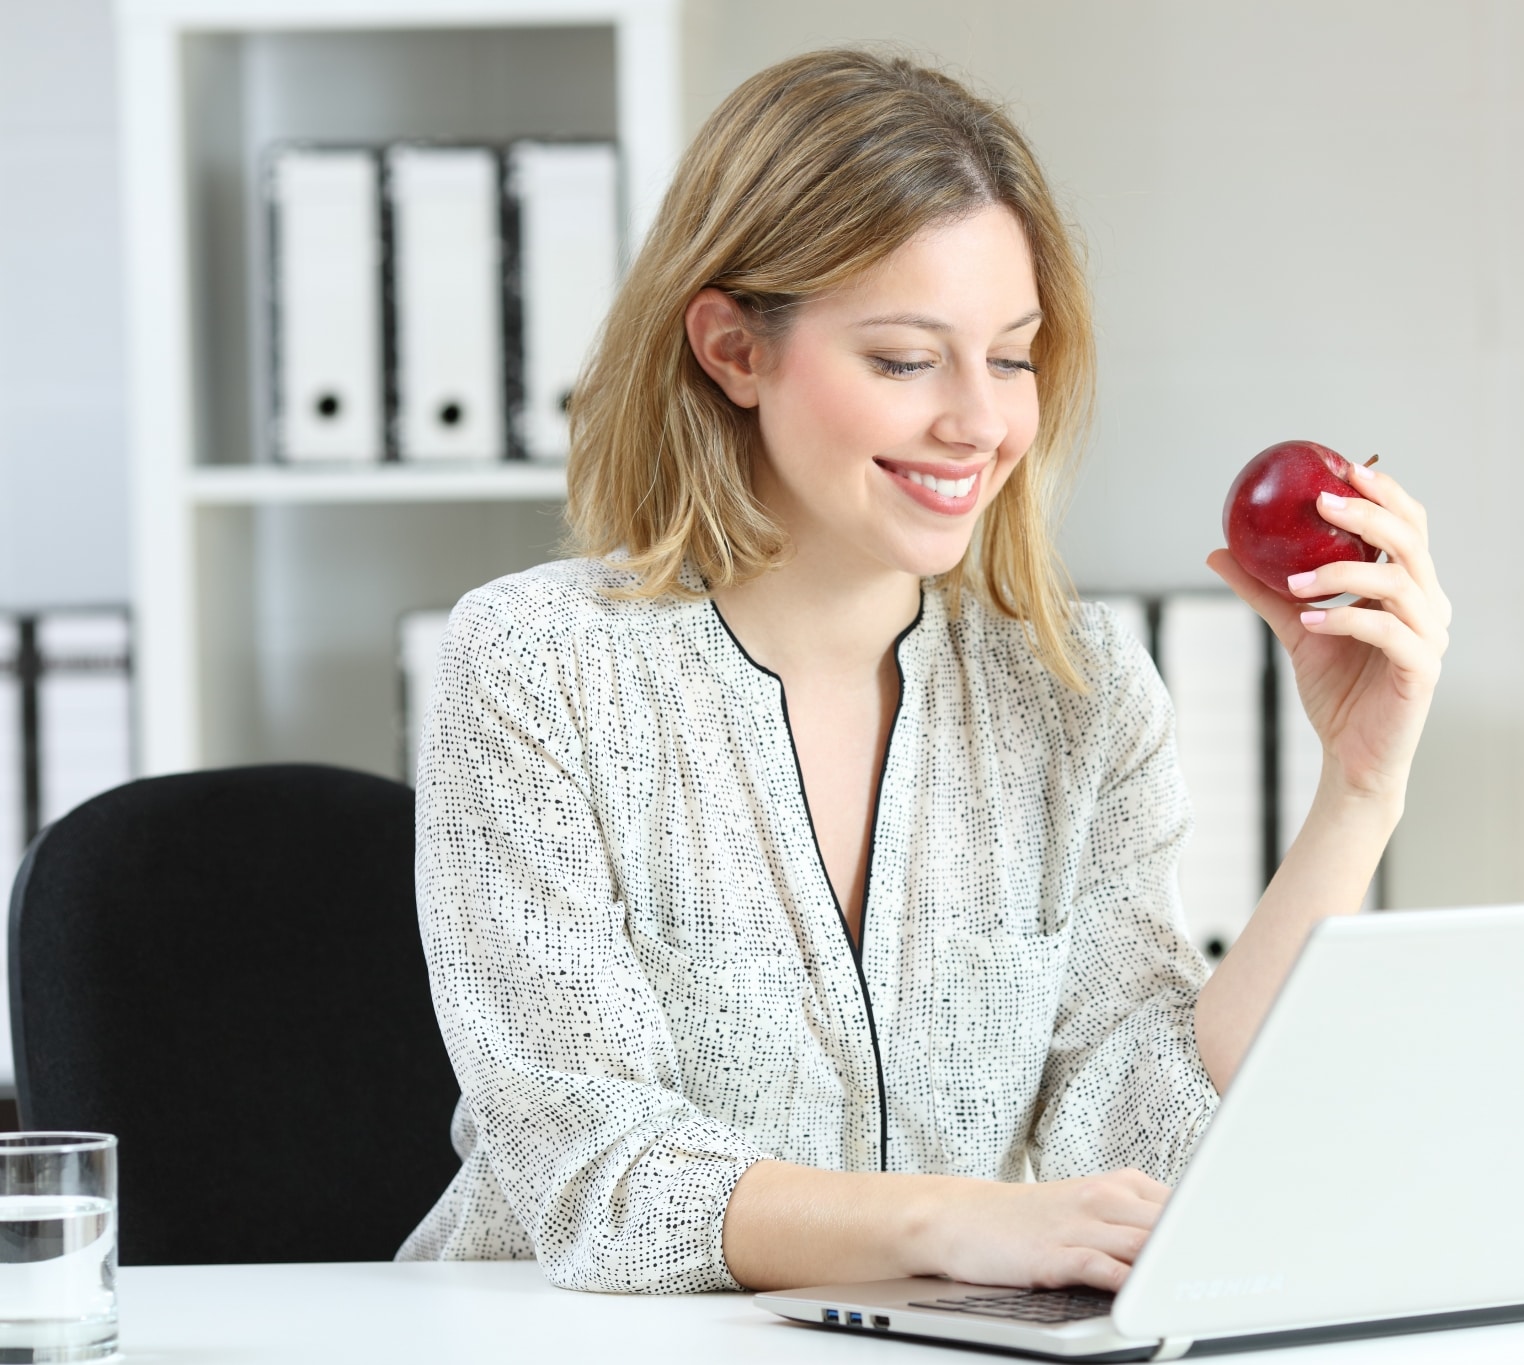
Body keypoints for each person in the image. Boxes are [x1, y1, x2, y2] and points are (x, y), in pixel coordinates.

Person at [397, 48, 1451, 1296]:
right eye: (905, 360)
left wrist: (1359, 792)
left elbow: (1137, 1130)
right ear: (733, 350)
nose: (979, 422)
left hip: (938, 1334)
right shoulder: (538, 668)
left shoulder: (1078, 687)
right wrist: (952, 1221)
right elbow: (597, 1172)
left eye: (1010, 357)